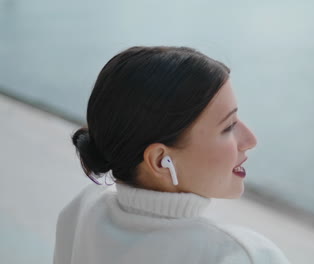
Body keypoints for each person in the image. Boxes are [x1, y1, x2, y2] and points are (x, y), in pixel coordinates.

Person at [53, 46, 290, 264]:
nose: (250, 140)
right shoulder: (239, 255)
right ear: (159, 161)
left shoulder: (83, 211)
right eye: (228, 127)